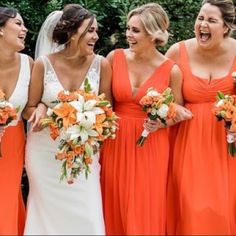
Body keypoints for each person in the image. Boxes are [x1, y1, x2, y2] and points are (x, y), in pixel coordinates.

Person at [100, 3, 192, 235]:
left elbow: (177, 110)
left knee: (145, 204)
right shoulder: (114, 57)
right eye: (128, 29)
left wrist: (161, 122)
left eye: (136, 31)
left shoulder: (171, 70)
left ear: (153, 34)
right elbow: (105, 105)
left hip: (151, 143)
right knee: (113, 199)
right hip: (115, 142)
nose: (128, 35)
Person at [23, 4, 112, 235]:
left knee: (88, 212)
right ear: (73, 33)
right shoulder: (44, 63)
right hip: (44, 152)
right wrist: (41, 109)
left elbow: (106, 110)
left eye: (96, 31)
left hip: (84, 151)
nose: (96, 35)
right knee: (46, 213)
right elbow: (28, 108)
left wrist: (90, 118)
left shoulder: (101, 64)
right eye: (90, 30)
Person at [166, 0, 236, 234]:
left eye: (211, 20)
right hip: (188, 141)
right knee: (190, 206)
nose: (203, 24)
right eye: (200, 18)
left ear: (226, 27)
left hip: (226, 145)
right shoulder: (178, 51)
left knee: (224, 208)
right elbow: (163, 98)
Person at [0, 7, 32, 235]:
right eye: (18, 24)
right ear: (1, 29)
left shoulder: (29, 64)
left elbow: (35, 104)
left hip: (12, 142)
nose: (25, 29)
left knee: (7, 197)